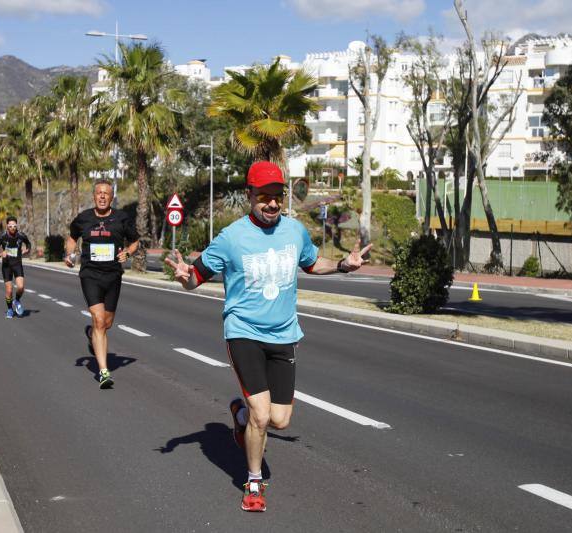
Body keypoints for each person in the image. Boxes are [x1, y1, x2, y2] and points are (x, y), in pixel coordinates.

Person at [165, 161, 371, 512]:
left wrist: (341, 265)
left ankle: (240, 418)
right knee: (261, 415)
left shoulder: (294, 231)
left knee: (280, 420)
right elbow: (196, 278)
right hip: (243, 331)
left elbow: (311, 263)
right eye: (264, 196)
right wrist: (186, 277)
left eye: (277, 195)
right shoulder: (231, 237)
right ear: (250, 195)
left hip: (284, 334)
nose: (273, 203)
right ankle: (253, 482)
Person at [65, 179, 139, 389]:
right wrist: (69, 254)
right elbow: (72, 238)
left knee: (107, 323)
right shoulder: (84, 218)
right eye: (99, 193)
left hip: (113, 275)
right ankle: (104, 371)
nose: (103, 196)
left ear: (112, 197)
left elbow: (135, 241)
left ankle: (92, 335)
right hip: (90, 274)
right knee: (98, 320)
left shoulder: (122, 218)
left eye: (106, 193)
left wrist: (128, 252)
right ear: (94, 196)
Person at [0, 217, 31, 319]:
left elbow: (28, 243)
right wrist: (1, 253)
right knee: (9, 290)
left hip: (17, 264)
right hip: (6, 266)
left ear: (16, 226)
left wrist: (27, 250)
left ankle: (17, 300)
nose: (12, 228)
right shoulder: (2, 237)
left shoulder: (21, 235)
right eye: (10, 226)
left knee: (21, 287)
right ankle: (10, 309)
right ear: (7, 226)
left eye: (14, 226)